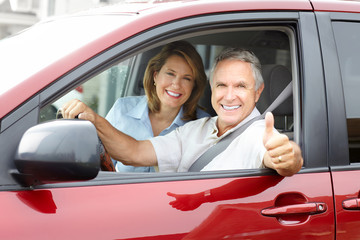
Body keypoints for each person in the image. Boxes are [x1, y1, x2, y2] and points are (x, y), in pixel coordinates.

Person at [62, 48, 303, 176]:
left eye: (240, 86)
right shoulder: (195, 129)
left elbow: (281, 157)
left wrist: (288, 157)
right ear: (211, 88)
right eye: (221, 85)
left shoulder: (259, 134)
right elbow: (134, 152)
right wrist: (93, 118)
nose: (229, 96)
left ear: (258, 93)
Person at [63, 41, 210, 172]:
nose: (176, 84)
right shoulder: (122, 109)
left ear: (194, 85)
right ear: (155, 76)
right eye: (170, 74)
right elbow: (100, 165)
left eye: (187, 78)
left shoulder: (202, 125)